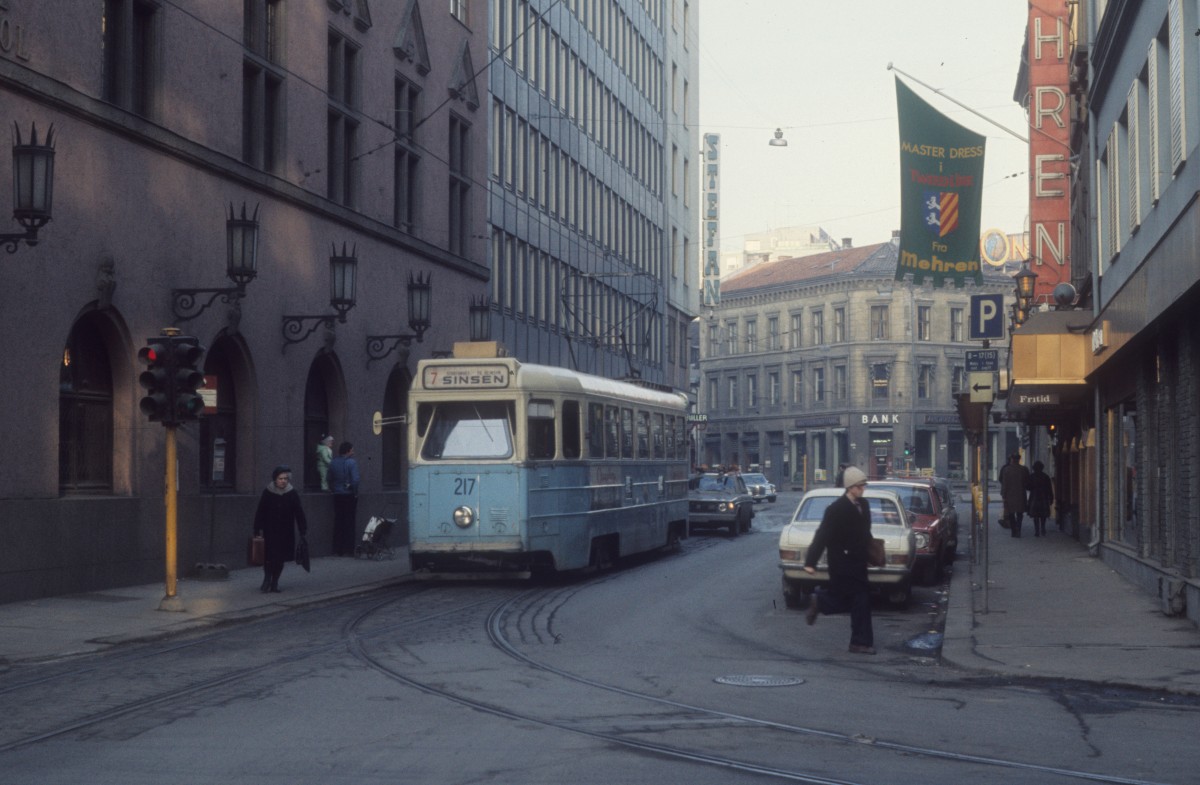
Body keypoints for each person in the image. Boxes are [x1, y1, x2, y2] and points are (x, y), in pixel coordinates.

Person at [803, 466, 876, 655]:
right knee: (858, 600)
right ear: (850, 487)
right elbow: (822, 535)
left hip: (859, 562)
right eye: (859, 486)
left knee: (856, 600)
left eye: (864, 485)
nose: (862, 489)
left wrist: (871, 553)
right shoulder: (835, 509)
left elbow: (865, 532)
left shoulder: (865, 505)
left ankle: (821, 602)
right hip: (842, 562)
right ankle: (859, 642)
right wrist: (811, 561)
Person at [253, 465, 308, 593]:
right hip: (270, 530)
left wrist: (302, 529)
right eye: (280, 478)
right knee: (269, 557)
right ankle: (267, 579)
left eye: (285, 478)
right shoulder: (268, 492)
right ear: (275, 479)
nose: (283, 481)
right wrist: (257, 528)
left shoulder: (292, 493)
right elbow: (260, 511)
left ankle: (275, 582)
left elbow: (299, 512)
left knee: (280, 558)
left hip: (285, 531)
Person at [328, 441, 361, 556]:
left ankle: (337, 550)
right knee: (350, 522)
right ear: (348, 451)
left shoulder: (333, 463)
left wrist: (334, 489)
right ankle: (349, 550)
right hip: (349, 495)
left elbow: (329, 478)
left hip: (337, 495)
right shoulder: (351, 463)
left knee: (339, 522)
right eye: (352, 449)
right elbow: (355, 480)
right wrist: (354, 491)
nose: (353, 451)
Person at [999, 453, 1031, 537]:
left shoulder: (1006, 470)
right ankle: (1018, 529)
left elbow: (1004, 483)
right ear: (1019, 459)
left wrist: (1003, 494)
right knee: (1020, 514)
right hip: (1021, 494)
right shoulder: (1024, 469)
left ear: (1012, 459)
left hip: (1010, 495)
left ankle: (1014, 531)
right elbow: (1028, 482)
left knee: (1011, 513)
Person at [1027, 460, 1055, 537]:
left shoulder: (1031, 476)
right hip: (1043, 497)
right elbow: (1049, 488)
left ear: (1034, 468)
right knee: (1043, 515)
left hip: (1034, 497)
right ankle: (1043, 528)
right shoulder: (1046, 477)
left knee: (1035, 515)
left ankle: (1037, 531)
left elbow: (1028, 487)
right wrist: (1051, 498)